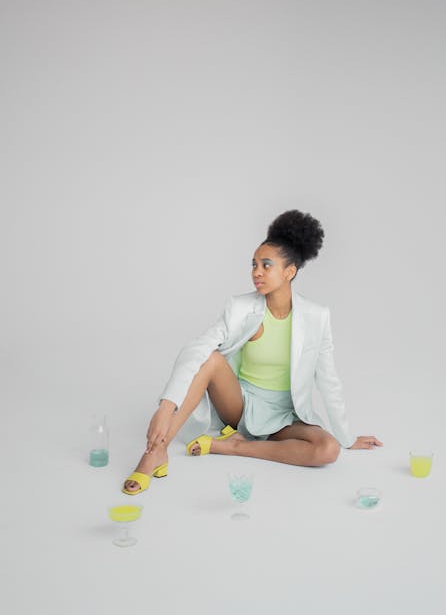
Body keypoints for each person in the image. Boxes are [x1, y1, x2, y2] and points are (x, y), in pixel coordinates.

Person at [123, 209, 383, 494]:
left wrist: (346, 437)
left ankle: (235, 446)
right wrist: (166, 406)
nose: (256, 272)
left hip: (285, 416)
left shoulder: (317, 317)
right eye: (254, 264)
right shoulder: (240, 307)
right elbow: (195, 349)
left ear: (290, 271)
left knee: (327, 450)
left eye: (266, 265)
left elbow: (329, 379)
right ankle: (155, 453)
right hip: (240, 404)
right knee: (210, 358)